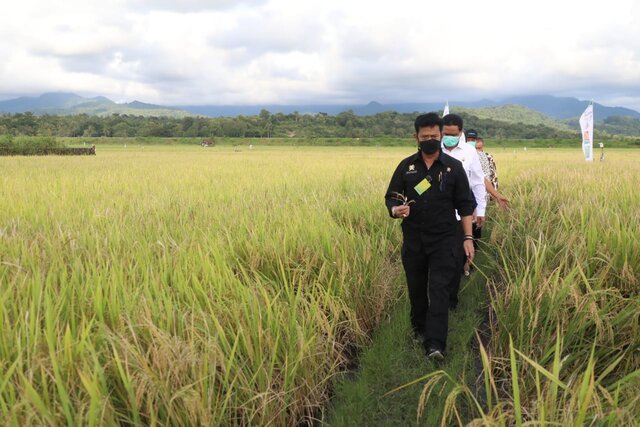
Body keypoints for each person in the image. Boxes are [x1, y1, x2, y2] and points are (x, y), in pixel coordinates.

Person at [385, 113, 475, 360]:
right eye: (425, 137)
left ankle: (435, 345)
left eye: (434, 136)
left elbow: (466, 205)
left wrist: (467, 238)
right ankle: (419, 329)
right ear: (416, 137)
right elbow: (391, 196)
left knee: (439, 290)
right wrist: (395, 209)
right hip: (414, 240)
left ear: (441, 136)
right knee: (416, 290)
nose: (430, 140)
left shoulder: (453, 168)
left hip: (445, 240)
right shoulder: (406, 167)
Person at [441, 114, 486, 307]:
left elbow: (477, 181)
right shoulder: (433, 149)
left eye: (453, 134)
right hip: (439, 213)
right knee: (441, 258)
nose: (449, 137)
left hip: (462, 213)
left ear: (460, 132)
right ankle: (440, 295)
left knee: (458, 256)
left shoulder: (469, 151)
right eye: (445, 133)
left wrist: (481, 209)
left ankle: (451, 299)